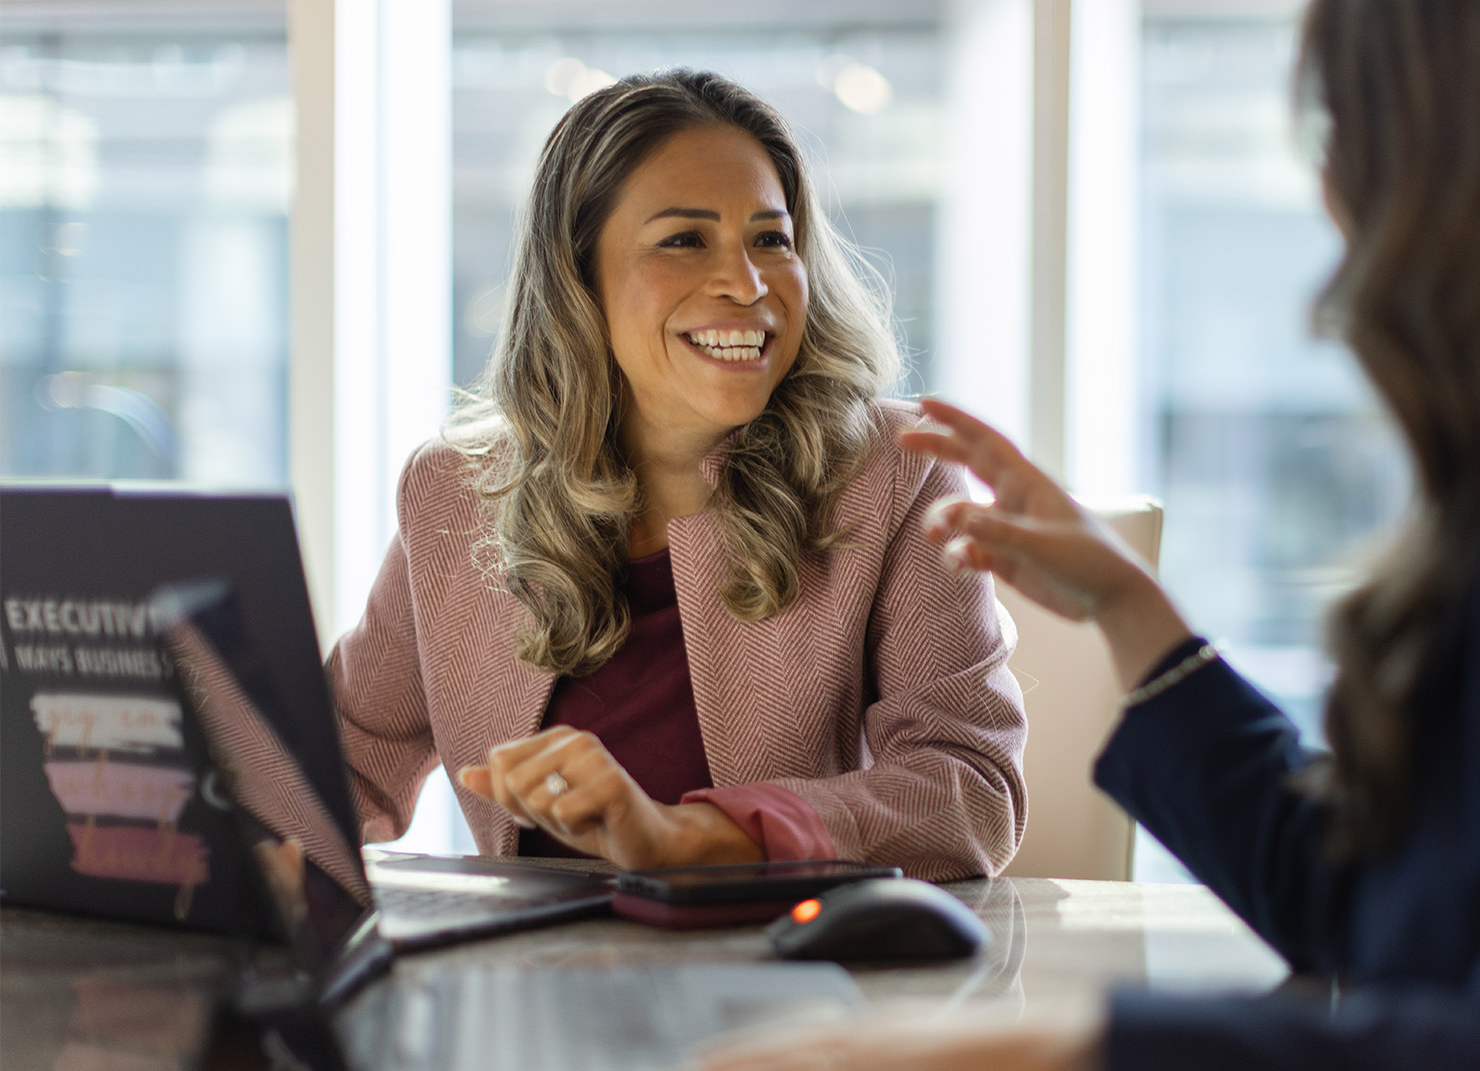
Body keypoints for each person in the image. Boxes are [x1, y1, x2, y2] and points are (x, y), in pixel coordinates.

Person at [707, 0, 1480, 1069]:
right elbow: (1368, 907)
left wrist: (1081, 1046)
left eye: (1352, 120)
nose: (1334, 189)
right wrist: (1136, 618)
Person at [325, 70, 1026, 880]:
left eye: (772, 238)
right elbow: (338, 762)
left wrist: (692, 839)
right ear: (577, 279)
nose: (749, 283)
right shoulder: (453, 491)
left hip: (802, 981)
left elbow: (967, 790)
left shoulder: (897, 475)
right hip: (532, 987)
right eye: (685, 240)